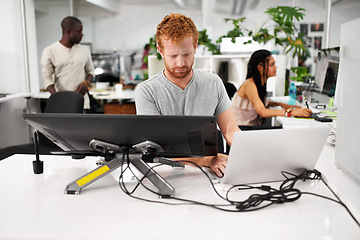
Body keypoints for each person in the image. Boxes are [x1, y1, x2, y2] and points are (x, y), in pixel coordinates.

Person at [135, 13, 240, 177]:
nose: (180, 63)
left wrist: (253, 154)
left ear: (195, 46)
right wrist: (209, 160)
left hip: (207, 176)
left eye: (186, 54)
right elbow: (159, 150)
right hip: (165, 174)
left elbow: (231, 130)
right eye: (173, 56)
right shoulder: (147, 91)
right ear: (160, 50)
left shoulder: (213, 83)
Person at [231, 49, 312, 126]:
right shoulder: (249, 84)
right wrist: (292, 112)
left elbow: (260, 102)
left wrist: (281, 104)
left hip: (249, 128)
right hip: (242, 130)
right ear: (260, 67)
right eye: (271, 65)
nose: (275, 67)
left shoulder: (259, 83)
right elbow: (262, 111)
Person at [41, 16, 95, 110]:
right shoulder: (50, 51)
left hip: (82, 104)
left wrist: (86, 84)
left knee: (82, 125)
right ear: (68, 31)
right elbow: (46, 78)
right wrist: (58, 97)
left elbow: (91, 72)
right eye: (79, 31)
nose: (82, 34)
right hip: (60, 105)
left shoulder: (84, 50)